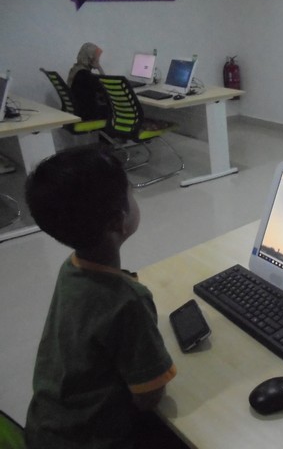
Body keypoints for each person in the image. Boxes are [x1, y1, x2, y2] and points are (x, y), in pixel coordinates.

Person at [24, 147, 184, 449]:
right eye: (131, 193)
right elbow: (148, 397)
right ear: (118, 221)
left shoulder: (71, 268)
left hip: (45, 431)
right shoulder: (127, 301)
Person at [67, 42, 110, 120]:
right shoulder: (85, 75)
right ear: (90, 57)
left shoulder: (75, 70)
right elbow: (106, 89)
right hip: (87, 116)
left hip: (77, 112)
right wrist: (99, 67)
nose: (98, 60)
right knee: (111, 109)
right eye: (97, 57)